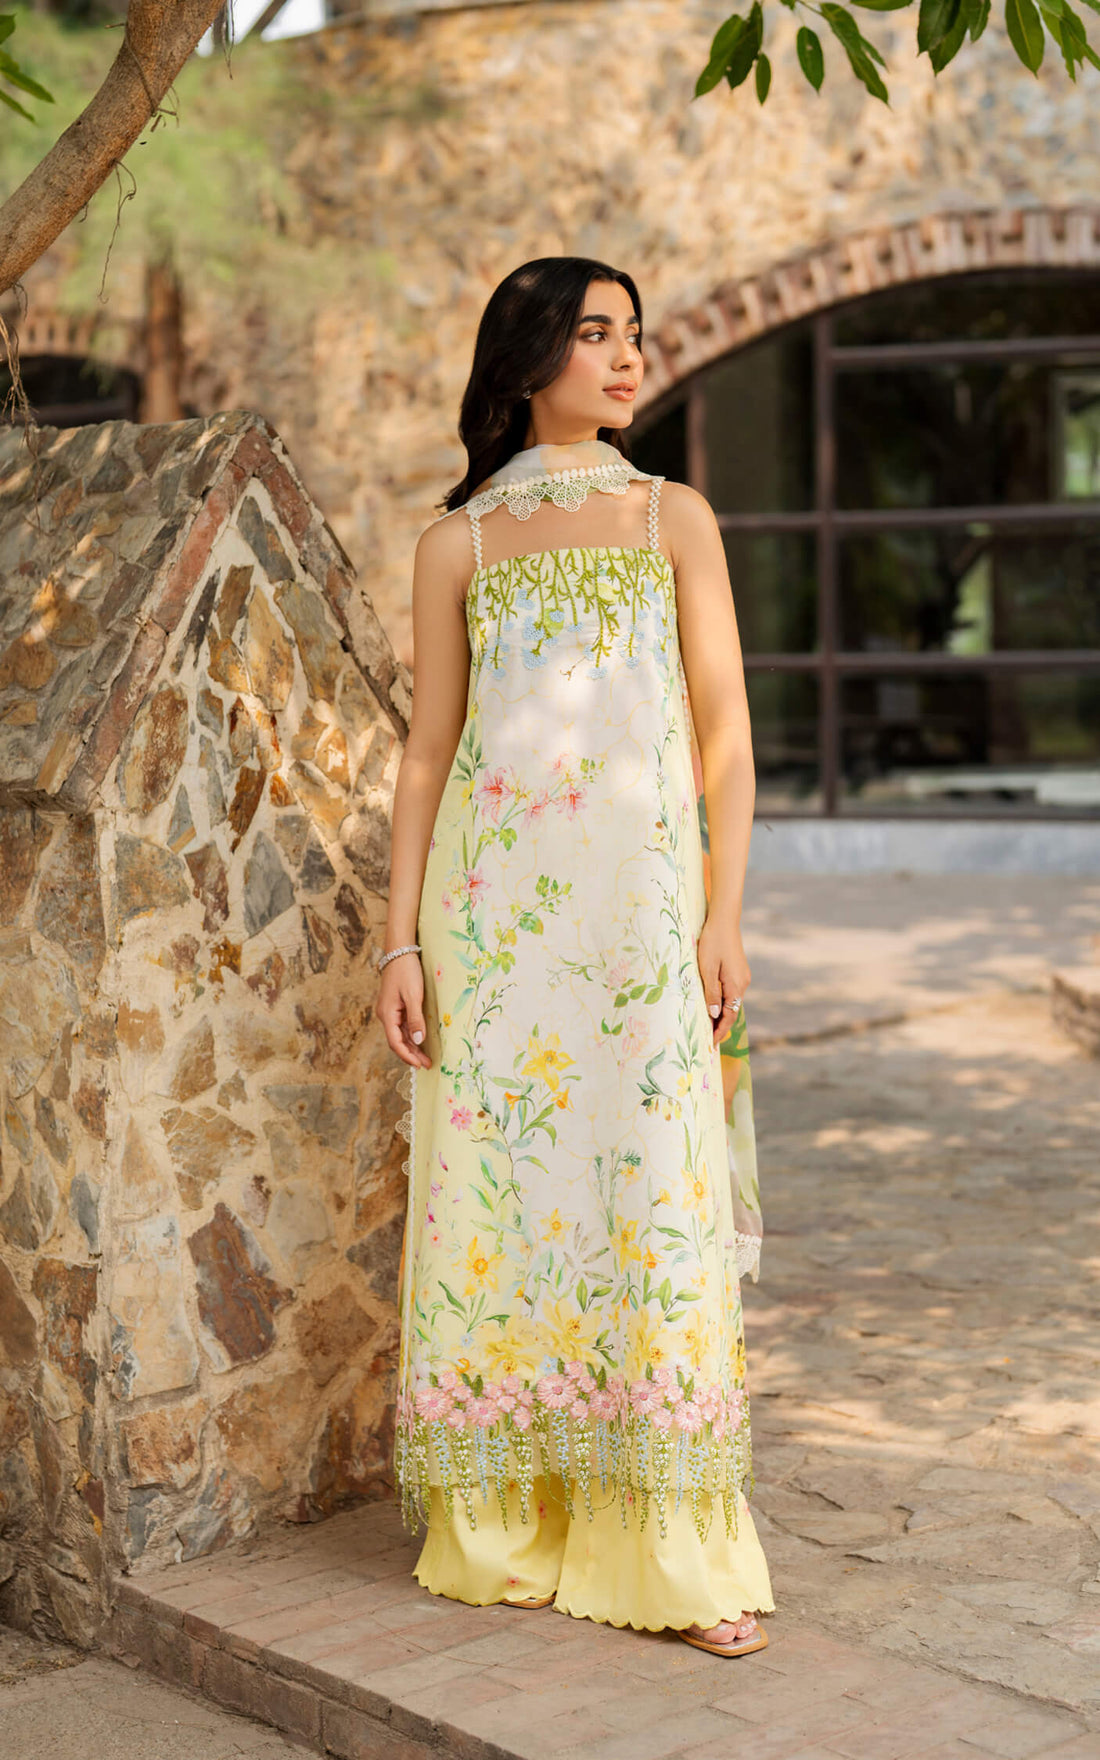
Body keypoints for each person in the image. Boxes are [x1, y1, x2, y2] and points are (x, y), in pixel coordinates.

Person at [377, 256, 773, 1657]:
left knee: (652, 1200)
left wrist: (723, 915)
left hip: (644, 926)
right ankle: (512, 1524)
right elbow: (428, 753)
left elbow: (725, 730)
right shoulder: (459, 544)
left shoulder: (672, 515)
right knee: (509, 1202)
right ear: (528, 353)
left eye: (632, 335)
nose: (625, 357)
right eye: (595, 333)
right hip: (494, 935)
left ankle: (669, 1547)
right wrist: (400, 940)